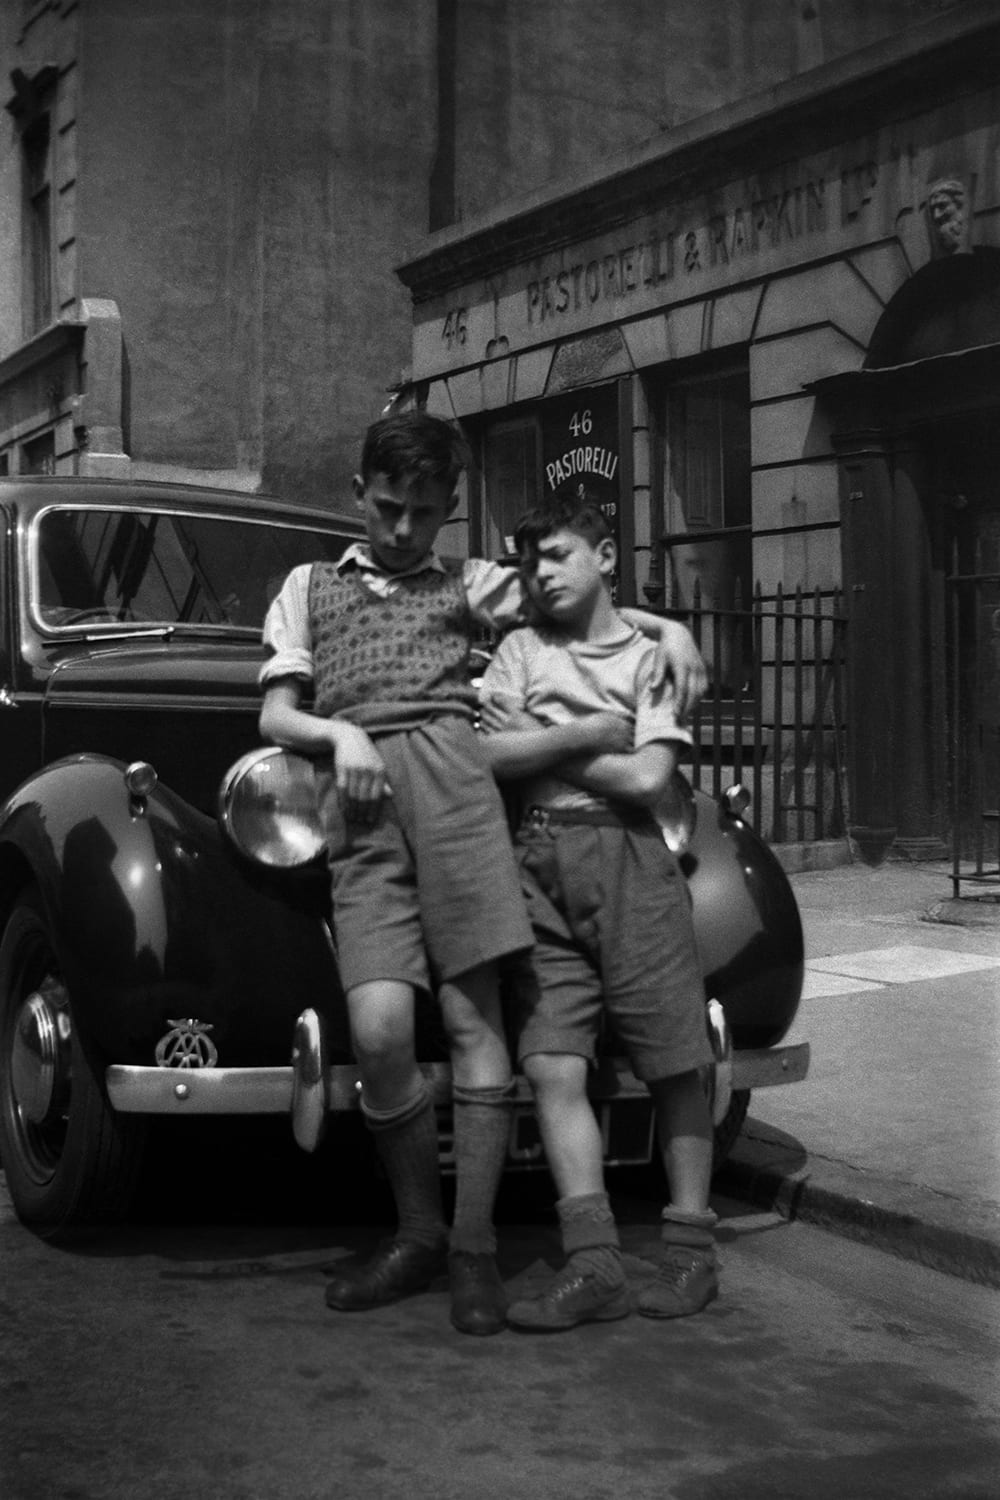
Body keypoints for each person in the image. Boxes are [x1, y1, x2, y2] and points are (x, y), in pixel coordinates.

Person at [258, 411, 706, 1337]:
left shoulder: (474, 581)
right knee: (380, 1030)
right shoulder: (307, 586)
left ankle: (473, 1252)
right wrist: (338, 731)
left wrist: (673, 631)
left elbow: (581, 593)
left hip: (458, 790)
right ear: (359, 497)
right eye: (388, 509)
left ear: (449, 511)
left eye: (425, 514)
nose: (403, 530)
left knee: (474, 1019)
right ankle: (417, 1232)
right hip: (363, 799)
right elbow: (275, 718)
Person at [479, 487, 718, 1331]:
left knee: (673, 1058)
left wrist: (542, 736)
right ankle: (595, 1265)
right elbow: (487, 755)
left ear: (606, 557)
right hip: (535, 866)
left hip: (630, 861)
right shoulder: (516, 650)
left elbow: (650, 779)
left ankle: (690, 1255)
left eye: (559, 556)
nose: (540, 576)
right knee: (552, 1063)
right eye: (528, 562)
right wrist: (586, 734)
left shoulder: (648, 660)